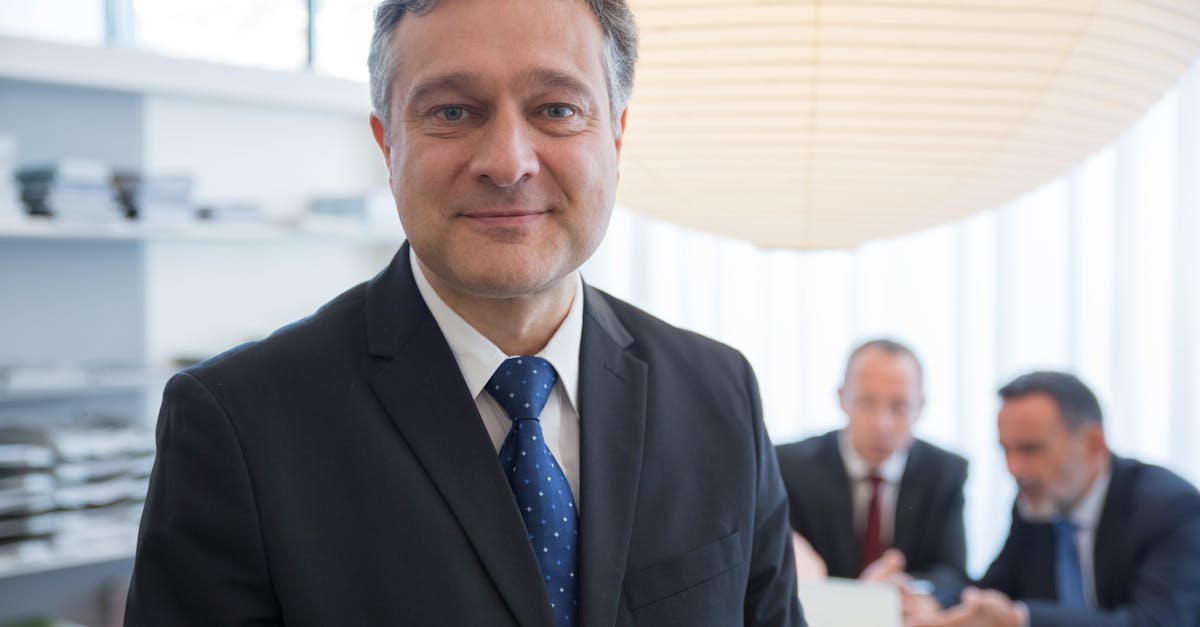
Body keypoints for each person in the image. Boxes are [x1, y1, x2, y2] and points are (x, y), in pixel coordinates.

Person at [123, 0, 804, 625]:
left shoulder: (720, 392)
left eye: (557, 109)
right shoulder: (237, 424)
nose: (508, 163)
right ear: (387, 146)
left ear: (617, 138)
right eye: (453, 111)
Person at [913, 371, 1200, 627]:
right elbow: (993, 589)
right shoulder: (1036, 504)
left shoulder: (1170, 509)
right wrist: (928, 599)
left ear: (1093, 444)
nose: (1014, 469)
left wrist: (1022, 619)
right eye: (1006, 450)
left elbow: (1159, 621)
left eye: (1030, 450)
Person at [775, 339, 968, 612]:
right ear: (842, 398)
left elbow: (952, 572)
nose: (882, 424)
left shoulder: (945, 470)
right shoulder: (788, 466)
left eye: (899, 406)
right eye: (867, 402)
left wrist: (910, 590)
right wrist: (859, 595)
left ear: (920, 406)